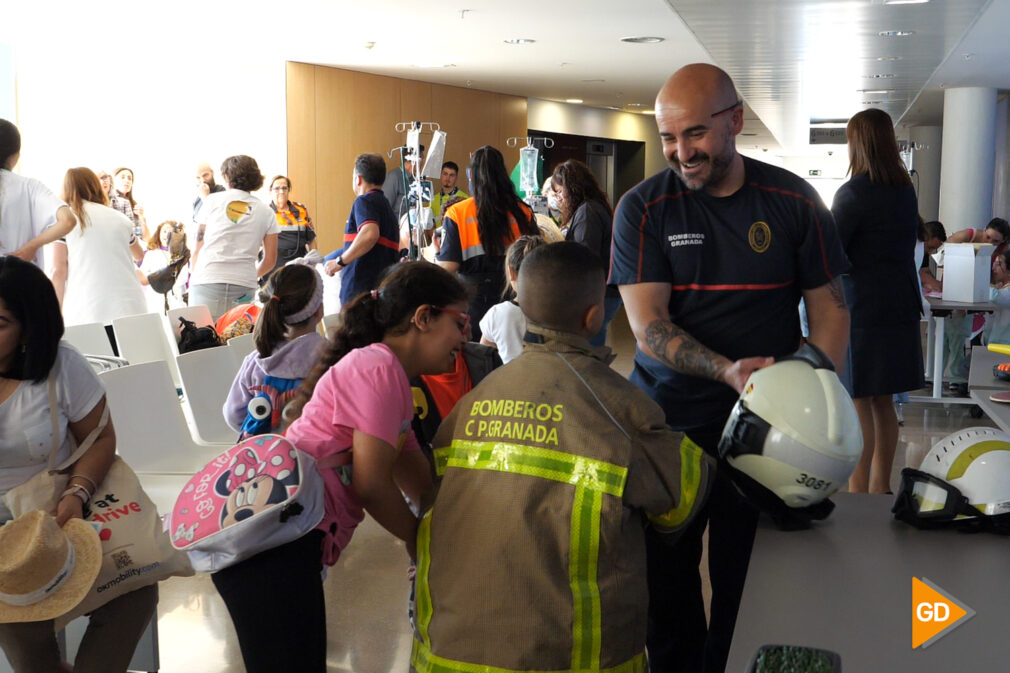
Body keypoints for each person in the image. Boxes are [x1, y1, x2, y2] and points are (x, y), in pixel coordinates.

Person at [609, 63, 850, 673]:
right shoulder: (643, 208)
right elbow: (648, 325)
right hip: (670, 429)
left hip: (767, 431)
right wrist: (725, 371)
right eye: (668, 137)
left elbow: (830, 311)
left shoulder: (794, 201)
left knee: (749, 584)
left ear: (735, 120)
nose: (680, 152)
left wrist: (809, 390)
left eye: (694, 134)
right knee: (669, 589)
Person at [414, 242, 714, 673]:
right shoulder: (619, 406)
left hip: (442, 659)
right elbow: (685, 498)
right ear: (593, 317)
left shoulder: (470, 403)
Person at [211, 261, 466, 673]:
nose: (464, 337)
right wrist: (424, 543)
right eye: (460, 322)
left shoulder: (394, 378)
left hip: (289, 546)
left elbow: (419, 483)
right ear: (423, 318)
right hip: (272, 551)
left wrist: (445, 536)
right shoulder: (378, 368)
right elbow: (372, 485)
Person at [0, 255, 158, 673]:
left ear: (30, 329)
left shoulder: (60, 366)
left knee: (135, 593)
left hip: (62, 512)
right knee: (27, 639)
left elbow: (101, 436)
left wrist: (77, 493)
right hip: (6, 543)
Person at [831, 108, 924, 494]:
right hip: (900, 303)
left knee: (858, 401)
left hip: (864, 309)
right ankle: (879, 486)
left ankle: (856, 490)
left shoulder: (853, 193)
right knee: (884, 401)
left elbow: (832, 252)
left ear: (858, 143)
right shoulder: (904, 191)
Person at [435, 145, 539, 341]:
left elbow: (448, 266)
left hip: (473, 302)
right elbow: (536, 256)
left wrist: (433, 254)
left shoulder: (458, 213)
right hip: (514, 297)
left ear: (471, 176)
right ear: (503, 175)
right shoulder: (522, 211)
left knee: (477, 359)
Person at [223, 263, 325, 439]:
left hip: (266, 461)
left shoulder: (256, 360)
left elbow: (233, 415)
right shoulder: (334, 358)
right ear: (319, 311)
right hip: (317, 460)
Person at [52, 168, 147, 354]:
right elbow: (139, 254)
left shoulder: (64, 221)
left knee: (96, 375)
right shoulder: (120, 219)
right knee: (133, 371)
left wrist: (55, 313)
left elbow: (58, 270)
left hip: (89, 310)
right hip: (130, 307)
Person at [189, 155, 280, 321]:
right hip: (243, 285)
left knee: (200, 340)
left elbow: (198, 245)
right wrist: (251, 275)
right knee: (238, 341)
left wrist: (194, 272)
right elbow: (270, 260)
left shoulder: (211, 201)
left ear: (225, 176)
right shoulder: (266, 212)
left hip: (207, 279)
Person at [551, 159, 622, 347]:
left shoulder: (587, 213)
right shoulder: (592, 207)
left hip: (597, 293)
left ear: (571, 189)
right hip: (603, 291)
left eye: (560, 192)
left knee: (589, 351)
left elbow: (585, 257)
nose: (559, 198)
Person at [323, 153, 400, 306]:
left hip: (359, 293)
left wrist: (340, 262)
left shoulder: (364, 201)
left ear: (358, 178)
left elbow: (370, 234)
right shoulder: (386, 207)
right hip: (380, 292)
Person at [0, 119, 76, 267]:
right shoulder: (30, 187)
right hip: (22, 279)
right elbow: (68, 220)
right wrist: (31, 246)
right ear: (16, 154)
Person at [478, 234, 545, 363]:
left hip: (511, 381)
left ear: (511, 272)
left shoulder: (497, 314)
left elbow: (483, 358)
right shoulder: (559, 311)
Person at [268, 174, 317, 272]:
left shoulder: (301, 210)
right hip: (273, 266)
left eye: (284, 188)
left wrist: (314, 263)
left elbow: (311, 239)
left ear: (288, 190)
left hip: (298, 266)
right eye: (277, 188)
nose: (281, 192)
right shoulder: (265, 212)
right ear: (270, 191)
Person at [140, 220, 190, 313]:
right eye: (164, 231)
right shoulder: (151, 254)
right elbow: (143, 275)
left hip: (177, 301)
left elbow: (184, 278)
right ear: (159, 233)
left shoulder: (182, 255)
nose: (166, 235)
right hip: (155, 302)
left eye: (170, 232)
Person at [382, 144, 424, 221]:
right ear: (415, 159)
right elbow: (384, 209)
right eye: (422, 159)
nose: (422, 164)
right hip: (396, 228)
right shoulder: (394, 177)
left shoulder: (415, 179)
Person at [111, 167, 149, 242]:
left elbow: (146, 239)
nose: (126, 180)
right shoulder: (109, 201)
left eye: (129, 178)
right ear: (113, 181)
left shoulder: (134, 206)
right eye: (122, 177)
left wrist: (141, 217)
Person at [430, 161, 468, 230]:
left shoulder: (464, 199)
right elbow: (429, 225)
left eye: (451, 175)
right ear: (441, 175)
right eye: (445, 174)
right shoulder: (432, 199)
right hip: (437, 238)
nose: (448, 178)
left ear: (456, 177)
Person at [984, 249, 1010, 347]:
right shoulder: (999, 287)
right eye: (994, 263)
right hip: (994, 343)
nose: (993, 268)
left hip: (1004, 345)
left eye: (998, 264)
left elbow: (994, 297)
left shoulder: (999, 291)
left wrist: (980, 279)